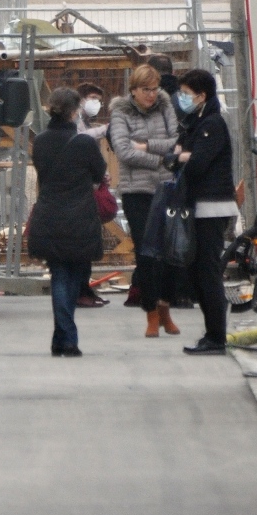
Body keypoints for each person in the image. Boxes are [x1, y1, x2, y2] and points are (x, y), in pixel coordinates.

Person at [29, 87, 108, 357]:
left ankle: (60, 337)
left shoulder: (40, 141)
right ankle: (68, 338)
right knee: (71, 275)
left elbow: (42, 172)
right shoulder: (84, 143)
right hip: (79, 216)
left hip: (49, 214)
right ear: (75, 112)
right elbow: (100, 172)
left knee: (62, 273)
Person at [167, 69, 237, 355]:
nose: (181, 99)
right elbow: (176, 159)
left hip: (211, 206)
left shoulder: (212, 124)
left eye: (186, 94)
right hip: (197, 206)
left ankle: (216, 336)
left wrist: (181, 157)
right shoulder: (194, 124)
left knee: (208, 272)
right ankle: (211, 334)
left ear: (201, 95)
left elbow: (197, 164)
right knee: (199, 272)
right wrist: (180, 157)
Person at [108, 65, 180, 338]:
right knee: (146, 254)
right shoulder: (120, 112)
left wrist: (146, 145)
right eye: (145, 90)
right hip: (136, 191)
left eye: (154, 89)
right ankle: (151, 311)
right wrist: (161, 159)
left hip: (166, 188)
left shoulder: (165, 107)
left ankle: (165, 307)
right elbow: (124, 151)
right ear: (133, 91)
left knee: (171, 252)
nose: (151, 95)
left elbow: (177, 142)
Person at [74, 81, 111, 308]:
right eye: (92, 98)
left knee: (87, 246)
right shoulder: (76, 123)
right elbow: (82, 139)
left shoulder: (84, 121)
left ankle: (85, 288)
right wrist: (104, 129)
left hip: (90, 187)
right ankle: (80, 291)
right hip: (82, 192)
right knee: (82, 246)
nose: (95, 103)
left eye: (98, 99)